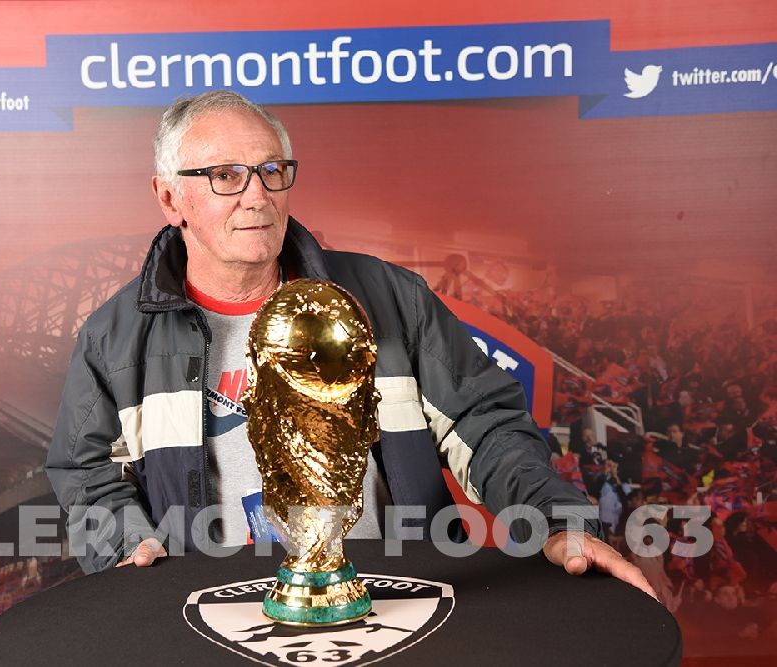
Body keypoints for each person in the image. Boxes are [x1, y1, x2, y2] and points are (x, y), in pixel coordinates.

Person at [43, 90, 656, 599]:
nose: (257, 195)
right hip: (212, 616)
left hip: (399, 602)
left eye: (271, 170)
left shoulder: (388, 298)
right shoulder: (114, 338)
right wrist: (128, 547)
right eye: (225, 176)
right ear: (169, 197)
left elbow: (484, 422)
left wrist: (555, 520)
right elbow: (88, 471)